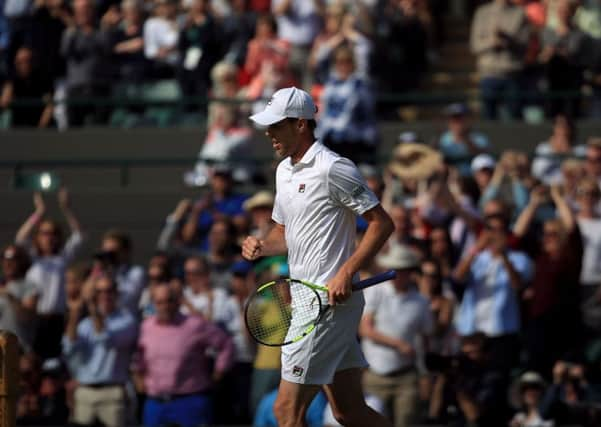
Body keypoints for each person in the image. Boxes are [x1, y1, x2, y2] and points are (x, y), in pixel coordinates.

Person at [243, 86, 395, 427]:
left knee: (285, 411)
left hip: (326, 305)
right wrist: (261, 246)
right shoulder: (284, 171)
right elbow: (282, 233)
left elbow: (382, 224)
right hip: (304, 300)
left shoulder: (334, 168)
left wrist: (347, 271)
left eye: (276, 126)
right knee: (348, 412)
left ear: (300, 124)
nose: (269, 133)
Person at [135, 284, 234, 427]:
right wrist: (138, 374)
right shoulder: (146, 327)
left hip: (190, 401)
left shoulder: (194, 324)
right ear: (153, 304)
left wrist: (219, 371)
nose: (165, 306)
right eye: (160, 302)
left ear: (177, 301)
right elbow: (139, 354)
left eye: (169, 301)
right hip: (156, 402)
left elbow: (226, 344)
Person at [359, 245, 434, 426]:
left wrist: (424, 372)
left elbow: (426, 339)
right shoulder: (376, 291)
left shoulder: (421, 301)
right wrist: (398, 344)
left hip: (406, 375)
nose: (395, 274)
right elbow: (365, 330)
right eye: (393, 270)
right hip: (375, 375)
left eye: (401, 270)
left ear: (410, 273)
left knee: (407, 421)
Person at [62, 275, 138, 427]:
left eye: (109, 291)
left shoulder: (127, 320)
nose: (105, 295)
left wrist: (91, 307)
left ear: (116, 293)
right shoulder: (85, 323)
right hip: (85, 391)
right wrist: (75, 313)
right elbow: (69, 347)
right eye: (100, 291)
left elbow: (104, 338)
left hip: (112, 393)